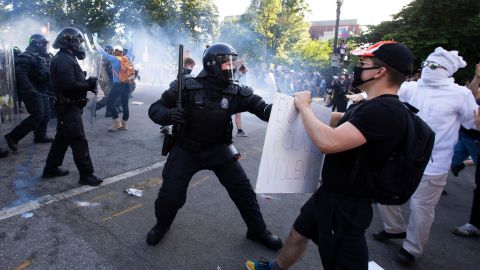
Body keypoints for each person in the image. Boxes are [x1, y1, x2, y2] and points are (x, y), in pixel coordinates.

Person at [246, 41, 414, 270]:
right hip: (332, 193)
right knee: (298, 233)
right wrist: (297, 112)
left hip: (346, 205)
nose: (357, 68)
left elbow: (328, 142)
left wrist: (305, 107)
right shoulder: (372, 104)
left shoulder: (384, 111)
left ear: (380, 71)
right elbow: (343, 120)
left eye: (363, 64)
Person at [146, 43, 282, 251]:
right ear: (213, 65)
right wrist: (168, 115)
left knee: (243, 191)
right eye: (227, 63)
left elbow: (262, 109)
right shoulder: (186, 86)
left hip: (219, 149)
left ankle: (257, 229)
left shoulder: (235, 91)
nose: (232, 67)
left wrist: (289, 107)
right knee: (170, 195)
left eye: (232, 62)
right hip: (186, 149)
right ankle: (162, 225)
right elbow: (156, 107)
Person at [374, 48, 479, 265]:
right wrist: (363, 95)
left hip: (434, 162)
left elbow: (472, 123)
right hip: (401, 155)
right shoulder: (411, 87)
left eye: (435, 66)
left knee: (421, 209)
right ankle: (394, 228)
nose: (429, 69)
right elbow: (385, 94)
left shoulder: (461, 94)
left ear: (448, 70)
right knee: (383, 192)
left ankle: (412, 248)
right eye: (427, 64)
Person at [41, 27, 102, 187]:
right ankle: (86, 175)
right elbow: (68, 85)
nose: (80, 46)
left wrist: (86, 80)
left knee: (61, 140)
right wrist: (88, 84)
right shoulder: (63, 60)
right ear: (71, 43)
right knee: (78, 140)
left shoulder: (67, 58)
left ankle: (50, 168)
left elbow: (71, 80)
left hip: (68, 106)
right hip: (68, 108)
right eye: (78, 42)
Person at [4, 34, 53, 152]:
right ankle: (12, 136)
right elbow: (21, 74)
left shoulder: (41, 56)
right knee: (38, 115)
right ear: (37, 43)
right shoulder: (26, 56)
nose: (46, 46)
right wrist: (30, 89)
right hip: (31, 91)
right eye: (44, 44)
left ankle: (40, 135)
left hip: (42, 90)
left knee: (46, 114)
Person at [452, 63, 480, 237]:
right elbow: (470, 94)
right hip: (465, 135)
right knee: (452, 162)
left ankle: (475, 224)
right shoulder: (474, 89)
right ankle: (461, 164)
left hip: (477, 140)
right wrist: (477, 78)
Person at [93, 37, 133, 131]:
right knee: (125, 105)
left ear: (115, 51)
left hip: (117, 85)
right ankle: (124, 124)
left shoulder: (113, 58)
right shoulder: (127, 58)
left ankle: (116, 122)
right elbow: (131, 49)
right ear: (122, 52)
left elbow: (101, 51)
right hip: (126, 85)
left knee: (110, 102)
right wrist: (131, 40)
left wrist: (95, 41)